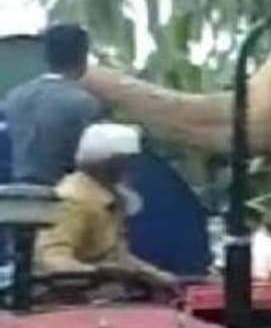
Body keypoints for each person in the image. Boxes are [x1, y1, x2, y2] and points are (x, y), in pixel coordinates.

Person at [33, 123, 176, 288]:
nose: (133, 167)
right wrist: (101, 272)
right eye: (129, 160)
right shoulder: (72, 201)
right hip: (67, 298)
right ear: (111, 162)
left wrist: (154, 274)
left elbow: (116, 256)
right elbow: (52, 262)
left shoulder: (108, 198)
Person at [4, 23, 105, 185]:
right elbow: (96, 162)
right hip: (64, 196)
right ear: (83, 58)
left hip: (19, 193)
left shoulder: (14, 97)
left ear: (46, 57)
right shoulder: (84, 103)